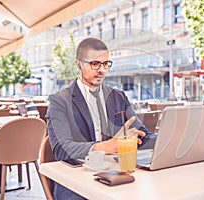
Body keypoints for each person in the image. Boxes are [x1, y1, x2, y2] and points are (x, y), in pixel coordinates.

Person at [47, 37, 156, 200]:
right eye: (95, 64)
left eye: (106, 64)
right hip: (77, 180)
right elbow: (61, 149)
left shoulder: (118, 97)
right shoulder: (59, 101)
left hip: (118, 173)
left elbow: (141, 134)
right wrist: (105, 147)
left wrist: (167, 141)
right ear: (79, 64)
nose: (102, 70)